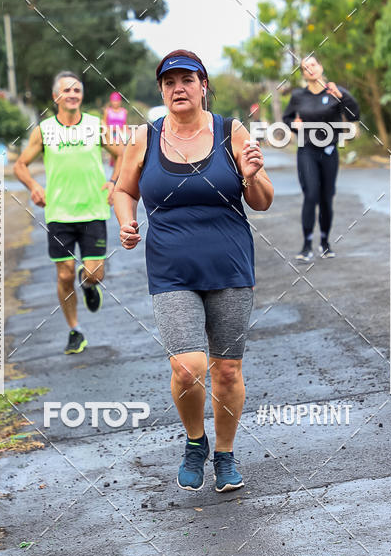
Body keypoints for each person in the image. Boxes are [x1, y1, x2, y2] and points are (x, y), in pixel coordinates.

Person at [114, 50, 274, 492]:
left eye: (187, 80)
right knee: (188, 367)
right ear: (161, 90)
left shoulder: (230, 131)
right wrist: (126, 222)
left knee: (226, 370)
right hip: (171, 271)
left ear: (204, 85)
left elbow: (261, 200)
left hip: (230, 267)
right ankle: (194, 441)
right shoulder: (144, 137)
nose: (178, 88)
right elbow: (123, 190)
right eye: (169, 82)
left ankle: (224, 453)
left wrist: (253, 175)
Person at [14, 71, 123, 354]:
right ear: (56, 97)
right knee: (64, 276)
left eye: (77, 90)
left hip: (93, 210)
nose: (72, 94)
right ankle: (75, 330)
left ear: (81, 96)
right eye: (67, 90)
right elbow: (20, 166)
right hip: (59, 214)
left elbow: (122, 154)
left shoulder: (95, 126)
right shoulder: (44, 130)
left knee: (94, 274)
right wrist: (34, 187)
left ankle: (88, 285)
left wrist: (113, 182)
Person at [282, 55, 360, 261]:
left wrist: (343, 98)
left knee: (326, 198)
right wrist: (294, 126)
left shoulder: (335, 91)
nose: (310, 69)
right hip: (307, 151)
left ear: (321, 67)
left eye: (313, 64)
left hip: (329, 152)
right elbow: (287, 118)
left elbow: (354, 115)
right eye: (305, 67)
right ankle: (306, 245)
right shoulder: (298, 96)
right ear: (303, 74)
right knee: (311, 195)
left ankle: (325, 243)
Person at [104, 91, 128, 166]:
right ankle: (113, 169)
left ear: (120, 101)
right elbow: (104, 124)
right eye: (114, 101)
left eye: (117, 101)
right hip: (110, 134)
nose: (115, 103)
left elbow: (124, 124)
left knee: (121, 152)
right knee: (113, 154)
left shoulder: (124, 111)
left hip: (120, 135)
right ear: (111, 101)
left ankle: (120, 169)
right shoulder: (107, 111)